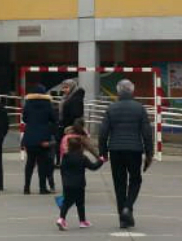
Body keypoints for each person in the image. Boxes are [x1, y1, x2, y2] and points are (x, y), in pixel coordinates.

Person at [99, 79, 154, 228]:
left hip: (115, 149)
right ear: (132, 91)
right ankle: (128, 208)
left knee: (119, 183)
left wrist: (103, 152)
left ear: (118, 91)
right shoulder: (140, 108)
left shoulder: (111, 108)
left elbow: (103, 132)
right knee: (135, 180)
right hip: (134, 149)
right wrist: (150, 153)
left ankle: (123, 218)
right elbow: (147, 132)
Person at [54, 125, 105, 230]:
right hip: (79, 184)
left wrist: (64, 180)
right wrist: (101, 160)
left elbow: (62, 170)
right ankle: (78, 221)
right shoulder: (82, 158)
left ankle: (66, 218)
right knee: (80, 203)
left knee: (67, 202)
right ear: (80, 147)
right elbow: (93, 167)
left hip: (67, 183)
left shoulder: (65, 158)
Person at [20, 83, 58, 195]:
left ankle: (27, 187)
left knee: (30, 163)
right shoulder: (48, 104)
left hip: (30, 137)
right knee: (42, 164)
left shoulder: (28, 104)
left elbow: (25, 119)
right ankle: (42, 188)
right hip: (43, 138)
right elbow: (53, 119)